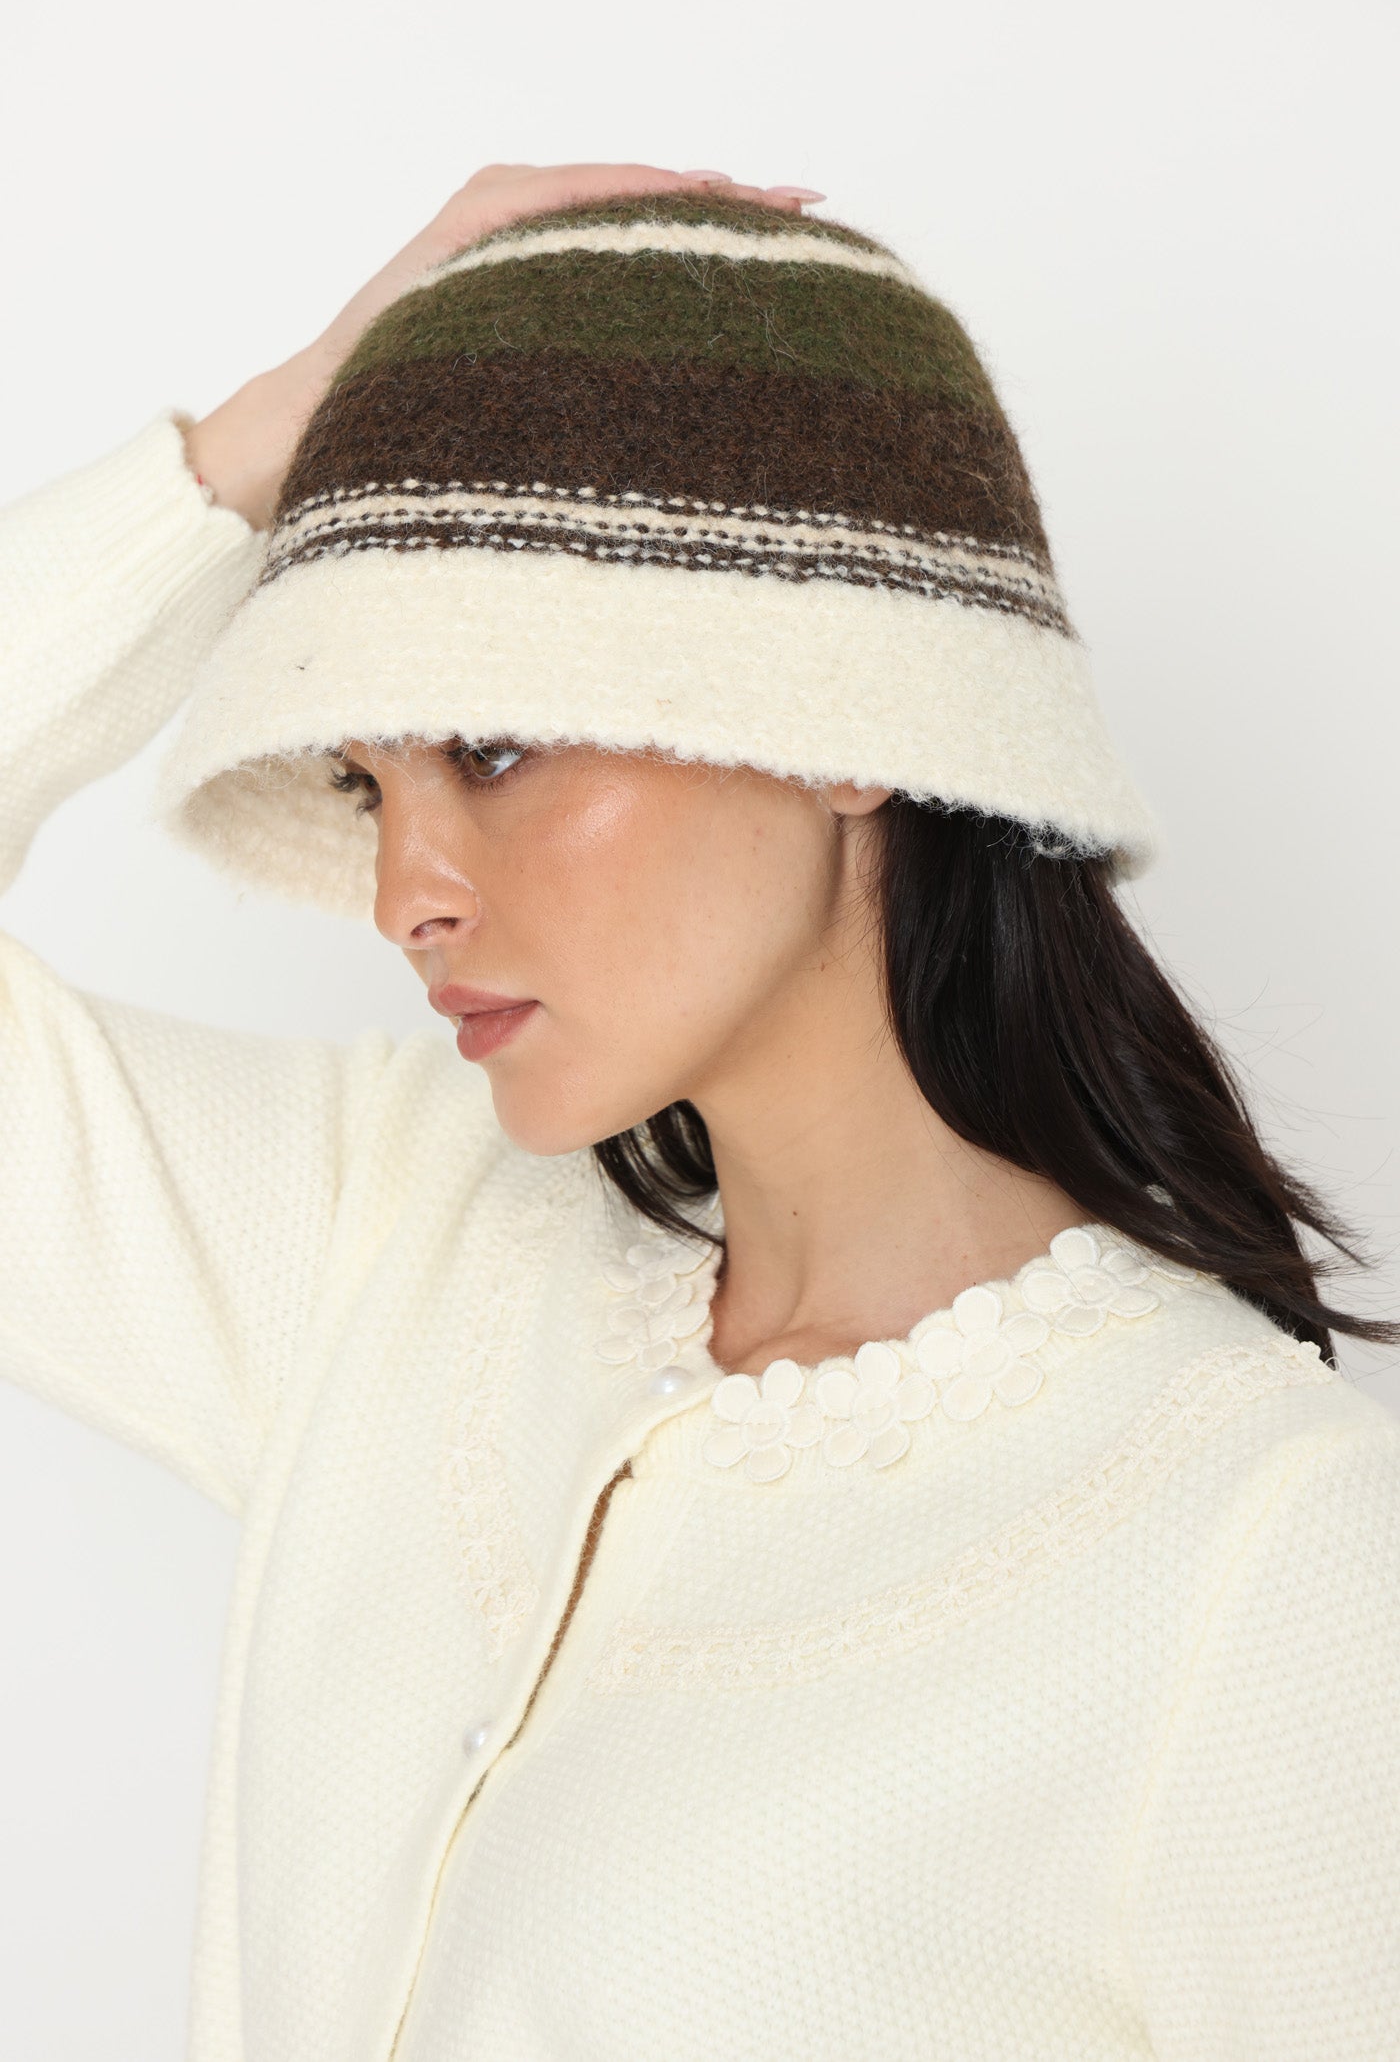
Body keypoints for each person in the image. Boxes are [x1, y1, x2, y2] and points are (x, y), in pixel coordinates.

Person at [2, 158, 1397, 2062]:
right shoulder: (385, 1241)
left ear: (845, 723)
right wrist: (261, 444)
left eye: (496, 746)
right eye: (366, 784)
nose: (407, 890)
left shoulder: (1255, 1544)